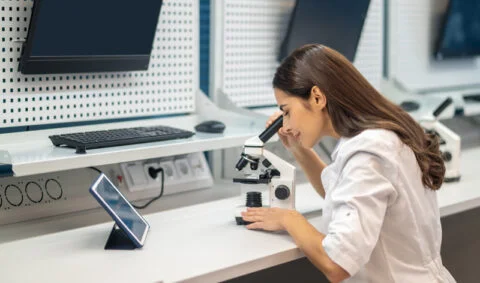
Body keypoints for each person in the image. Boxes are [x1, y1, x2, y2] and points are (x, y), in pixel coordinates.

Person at [241, 44, 456, 283]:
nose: (286, 123)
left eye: (287, 111)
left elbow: (336, 263)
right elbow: (344, 194)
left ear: (317, 97)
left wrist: (288, 219)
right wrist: (299, 149)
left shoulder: (368, 152)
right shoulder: (379, 134)